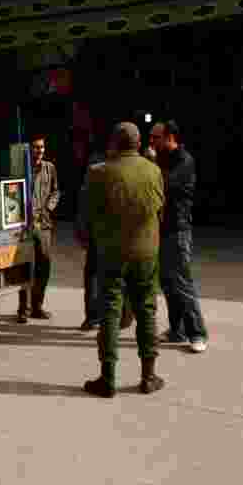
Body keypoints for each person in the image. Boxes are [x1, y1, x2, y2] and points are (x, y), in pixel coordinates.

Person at [83, 122, 165, 398]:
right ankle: (148, 375)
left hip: (111, 253)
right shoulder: (154, 171)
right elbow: (160, 212)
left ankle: (107, 378)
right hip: (145, 253)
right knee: (146, 310)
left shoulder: (100, 172)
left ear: (114, 143)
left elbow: (87, 216)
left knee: (109, 311)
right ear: (139, 143)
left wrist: (90, 243)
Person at [150, 121, 208, 353]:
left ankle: (197, 332)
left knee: (182, 281)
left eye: (156, 137)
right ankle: (177, 329)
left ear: (170, 137)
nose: (151, 141)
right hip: (161, 230)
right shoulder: (161, 158)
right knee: (167, 282)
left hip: (178, 230)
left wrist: (152, 163)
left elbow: (165, 183)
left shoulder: (184, 160)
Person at [75, 142, 134, 332]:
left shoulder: (96, 173)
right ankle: (115, 317)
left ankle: (95, 317)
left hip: (102, 235)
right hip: (107, 235)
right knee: (113, 277)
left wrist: (82, 231)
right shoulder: (119, 173)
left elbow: (84, 206)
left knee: (97, 276)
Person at [16, 135, 59, 323]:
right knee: (25, 267)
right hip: (24, 225)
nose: (39, 151)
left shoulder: (49, 168)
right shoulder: (20, 167)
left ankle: (37, 307)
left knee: (44, 266)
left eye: (41, 147)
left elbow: (56, 191)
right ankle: (22, 310)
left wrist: (49, 207)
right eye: (35, 147)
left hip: (43, 224)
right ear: (28, 149)